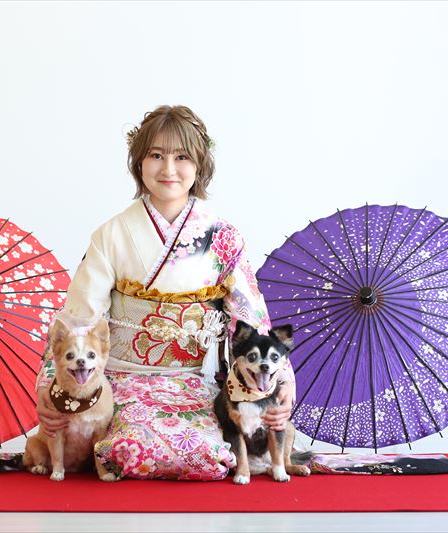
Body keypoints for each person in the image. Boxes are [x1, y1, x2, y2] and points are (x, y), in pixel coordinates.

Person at [34, 105, 295, 480]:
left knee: (210, 454)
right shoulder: (112, 234)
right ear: (139, 162)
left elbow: (251, 320)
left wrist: (280, 384)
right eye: (156, 155)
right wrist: (51, 385)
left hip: (199, 382)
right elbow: (79, 320)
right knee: (133, 450)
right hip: (126, 381)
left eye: (182, 157)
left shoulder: (223, 236)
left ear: (200, 164)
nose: (168, 169)